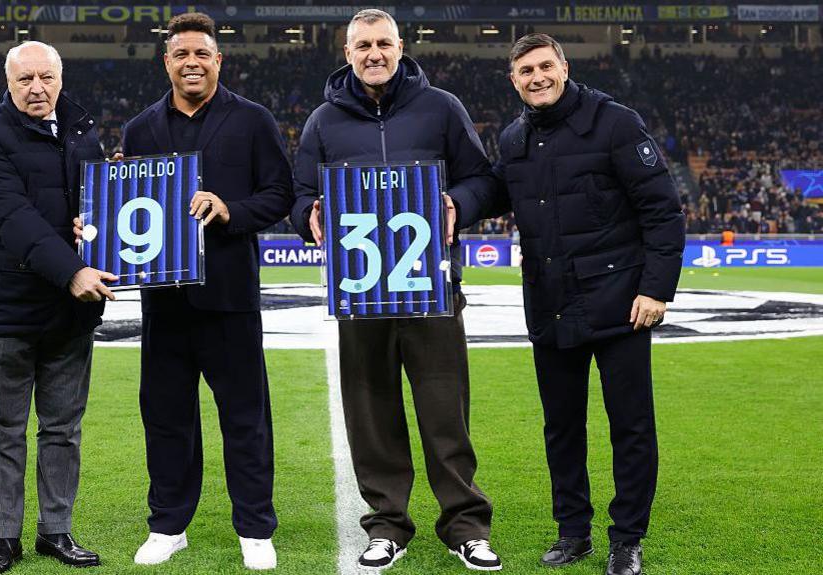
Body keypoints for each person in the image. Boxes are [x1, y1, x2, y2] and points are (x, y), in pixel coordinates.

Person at [457, 34, 685, 575]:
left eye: (545, 66)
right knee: (561, 426)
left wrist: (656, 289)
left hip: (620, 303)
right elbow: (492, 192)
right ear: (513, 81)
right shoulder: (514, 139)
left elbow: (663, 210)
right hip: (550, 303)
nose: (537, 77)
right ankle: (573, 532)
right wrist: (449, 202)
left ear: (564, 67)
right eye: (525, 71)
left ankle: (627, 539)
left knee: (630, 426)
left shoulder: (616, 123)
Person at [289, 9, 502, 572]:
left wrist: (461, 203)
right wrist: (306, 214)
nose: (375, 54)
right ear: (347, 51)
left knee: (444, 410)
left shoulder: (441, 108)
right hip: (359, 292)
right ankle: (386, 526)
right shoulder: (322, 122)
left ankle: (465, 525)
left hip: (432, 288)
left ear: (401, 47)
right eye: (364, 46)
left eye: (384, 43)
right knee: (370, 412)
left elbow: (482, 179)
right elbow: (299, 192)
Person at [115, 13, 293, 571]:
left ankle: (255, 528)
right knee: (166, 417)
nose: (191, 62)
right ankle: (168, 525)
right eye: (180, 54)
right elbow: (129, 214)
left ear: (219, 59)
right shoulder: (140, 128)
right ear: (165, 61)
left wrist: (230, 210)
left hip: (229, 297)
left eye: (202, 54)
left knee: (244, 417)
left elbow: (281, 194)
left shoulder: (253, 120)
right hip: (163, 301)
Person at [0, 40, 118, 575]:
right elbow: (11, 218)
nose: (37, 88)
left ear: (60, 77)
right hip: (7, 307)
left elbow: (89, 214)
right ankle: (4, 538)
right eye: (25, 79)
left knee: (63, 428)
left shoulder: (83, 132)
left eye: (45, 77)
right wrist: (73, 268)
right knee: (3, 427)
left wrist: (99, 220)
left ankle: (56, 530)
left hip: (69, 314)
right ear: (8, 82)